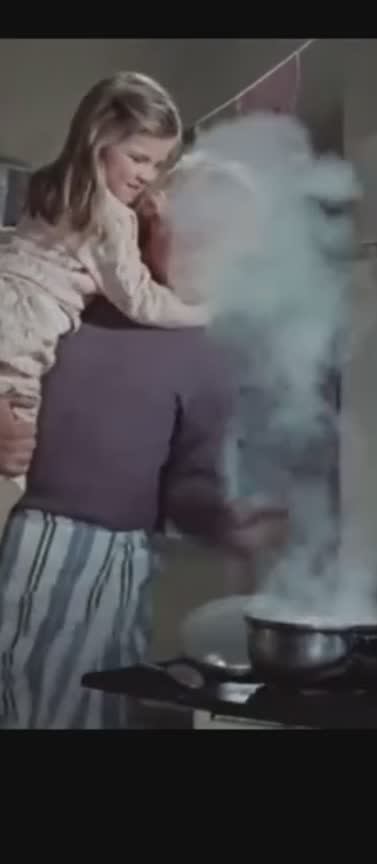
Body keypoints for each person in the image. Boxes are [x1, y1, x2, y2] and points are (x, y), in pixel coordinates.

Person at [0, 188, 287, 730]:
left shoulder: (210, 350)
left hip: (104, 560)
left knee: (75, 709)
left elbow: (193, 487)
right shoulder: (72, 287)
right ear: (148, 220)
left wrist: (234, 524)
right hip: (29, 535)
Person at [0, 72, 209, 526]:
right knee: (11, 472)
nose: (146, 176)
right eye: (138, 158)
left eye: (158, 165)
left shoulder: (53, 188)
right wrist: (206, 312)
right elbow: (141, 299)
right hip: (22, 340)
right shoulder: (109, 218)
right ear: (99, 140)